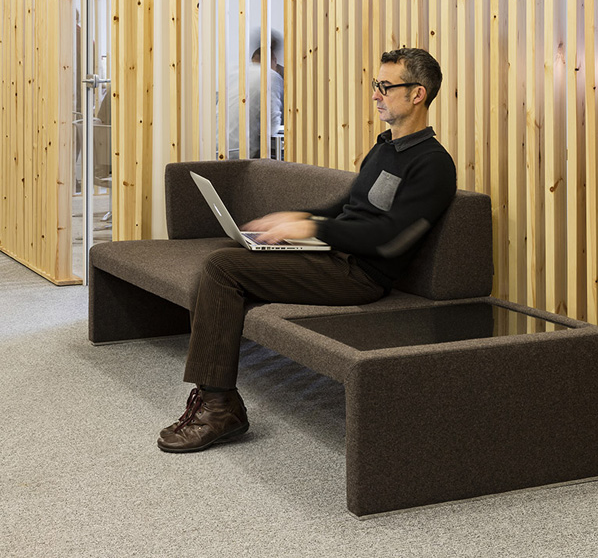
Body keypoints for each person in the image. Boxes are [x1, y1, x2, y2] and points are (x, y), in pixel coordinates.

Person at [157, 46, 457, 453]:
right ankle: (216, 400)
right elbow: (346, 206)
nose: (375, 94)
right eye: (376, 84)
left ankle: (220, 408)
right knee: (231, 253)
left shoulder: (433, 164)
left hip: (360, 275)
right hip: (330, 255)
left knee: (223, 268)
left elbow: (391, 238)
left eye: (386, 86)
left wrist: (313, 228)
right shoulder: (384, 148)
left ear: (417, 94)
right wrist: (292, 219)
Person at [225, 30, 284, 159]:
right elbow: (272, 125)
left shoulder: (236, 73)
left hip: (216, 149)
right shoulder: (270, 76)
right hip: (239, 154)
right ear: (274, 60)